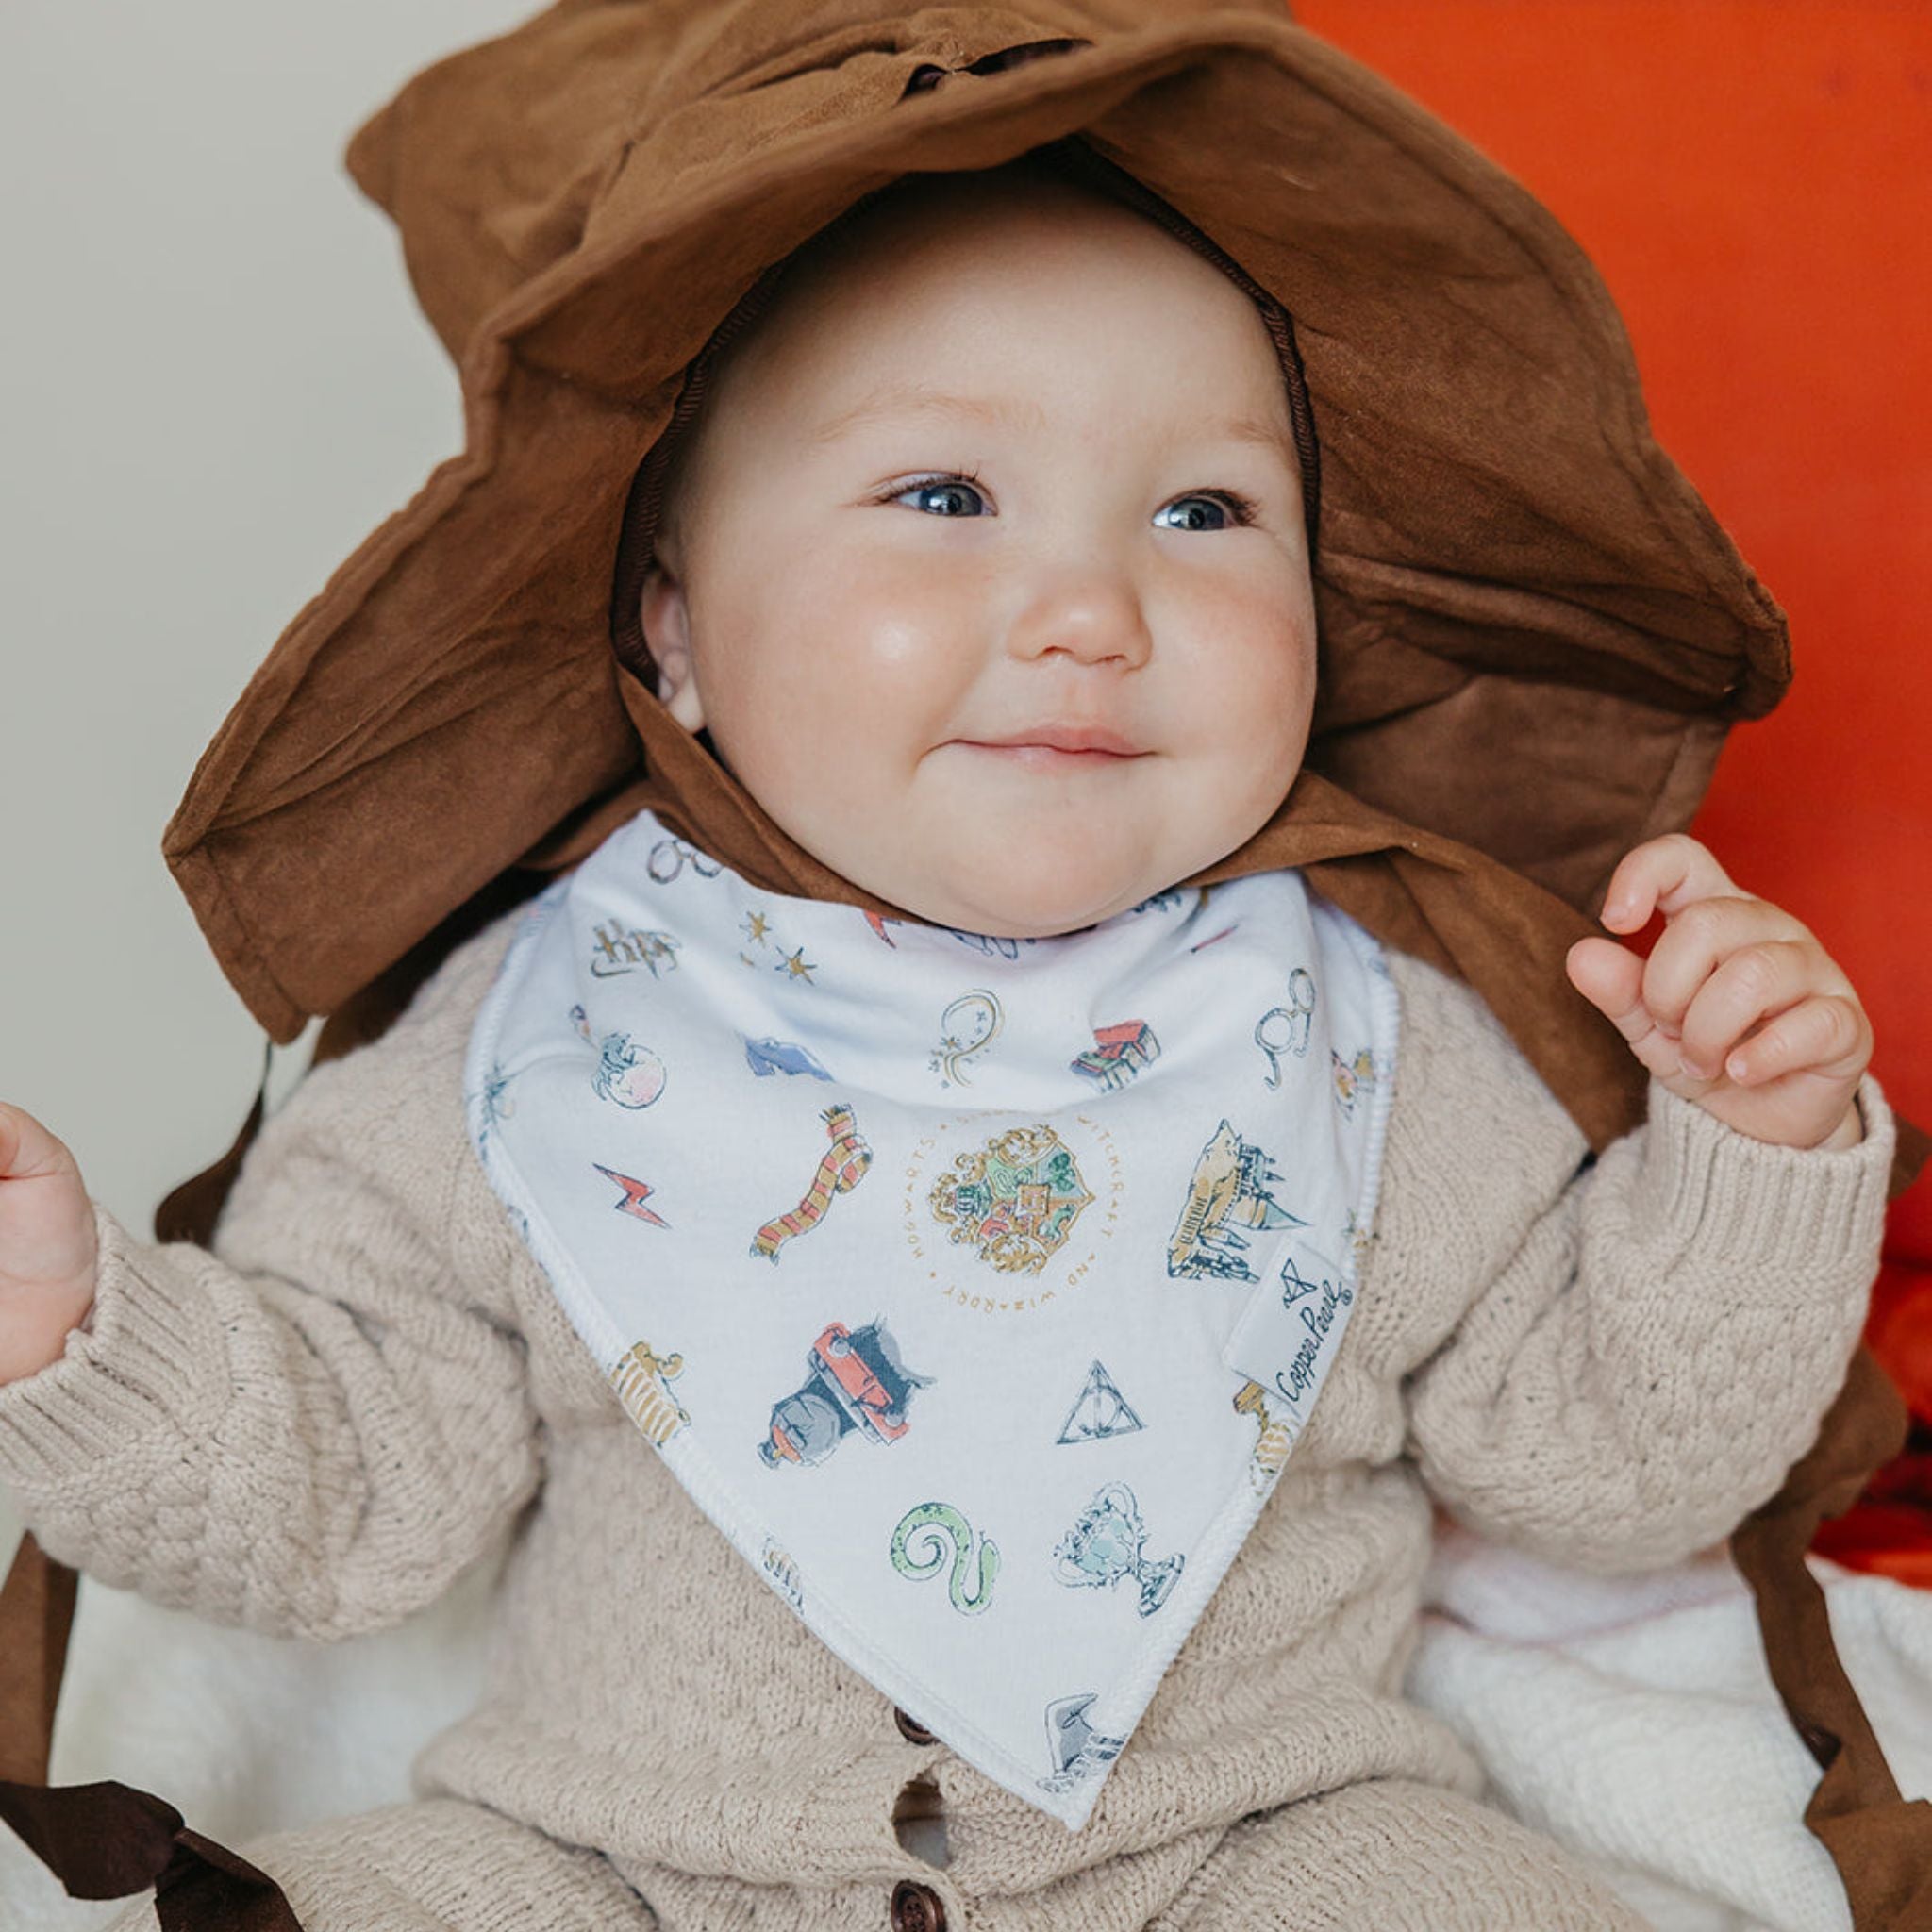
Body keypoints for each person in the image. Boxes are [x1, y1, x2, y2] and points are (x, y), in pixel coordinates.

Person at [0, 13, 1903, 1931]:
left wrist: (1746, 1150)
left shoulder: (1369, 1033)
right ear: (672, 626)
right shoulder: (522, 1047)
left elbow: (1603, 1469)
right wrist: (75, 1337)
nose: (1090, 610)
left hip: (1250, 1849)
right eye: (942, 496)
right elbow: (343, 1488)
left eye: (1203, 512)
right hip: (615, 1860)